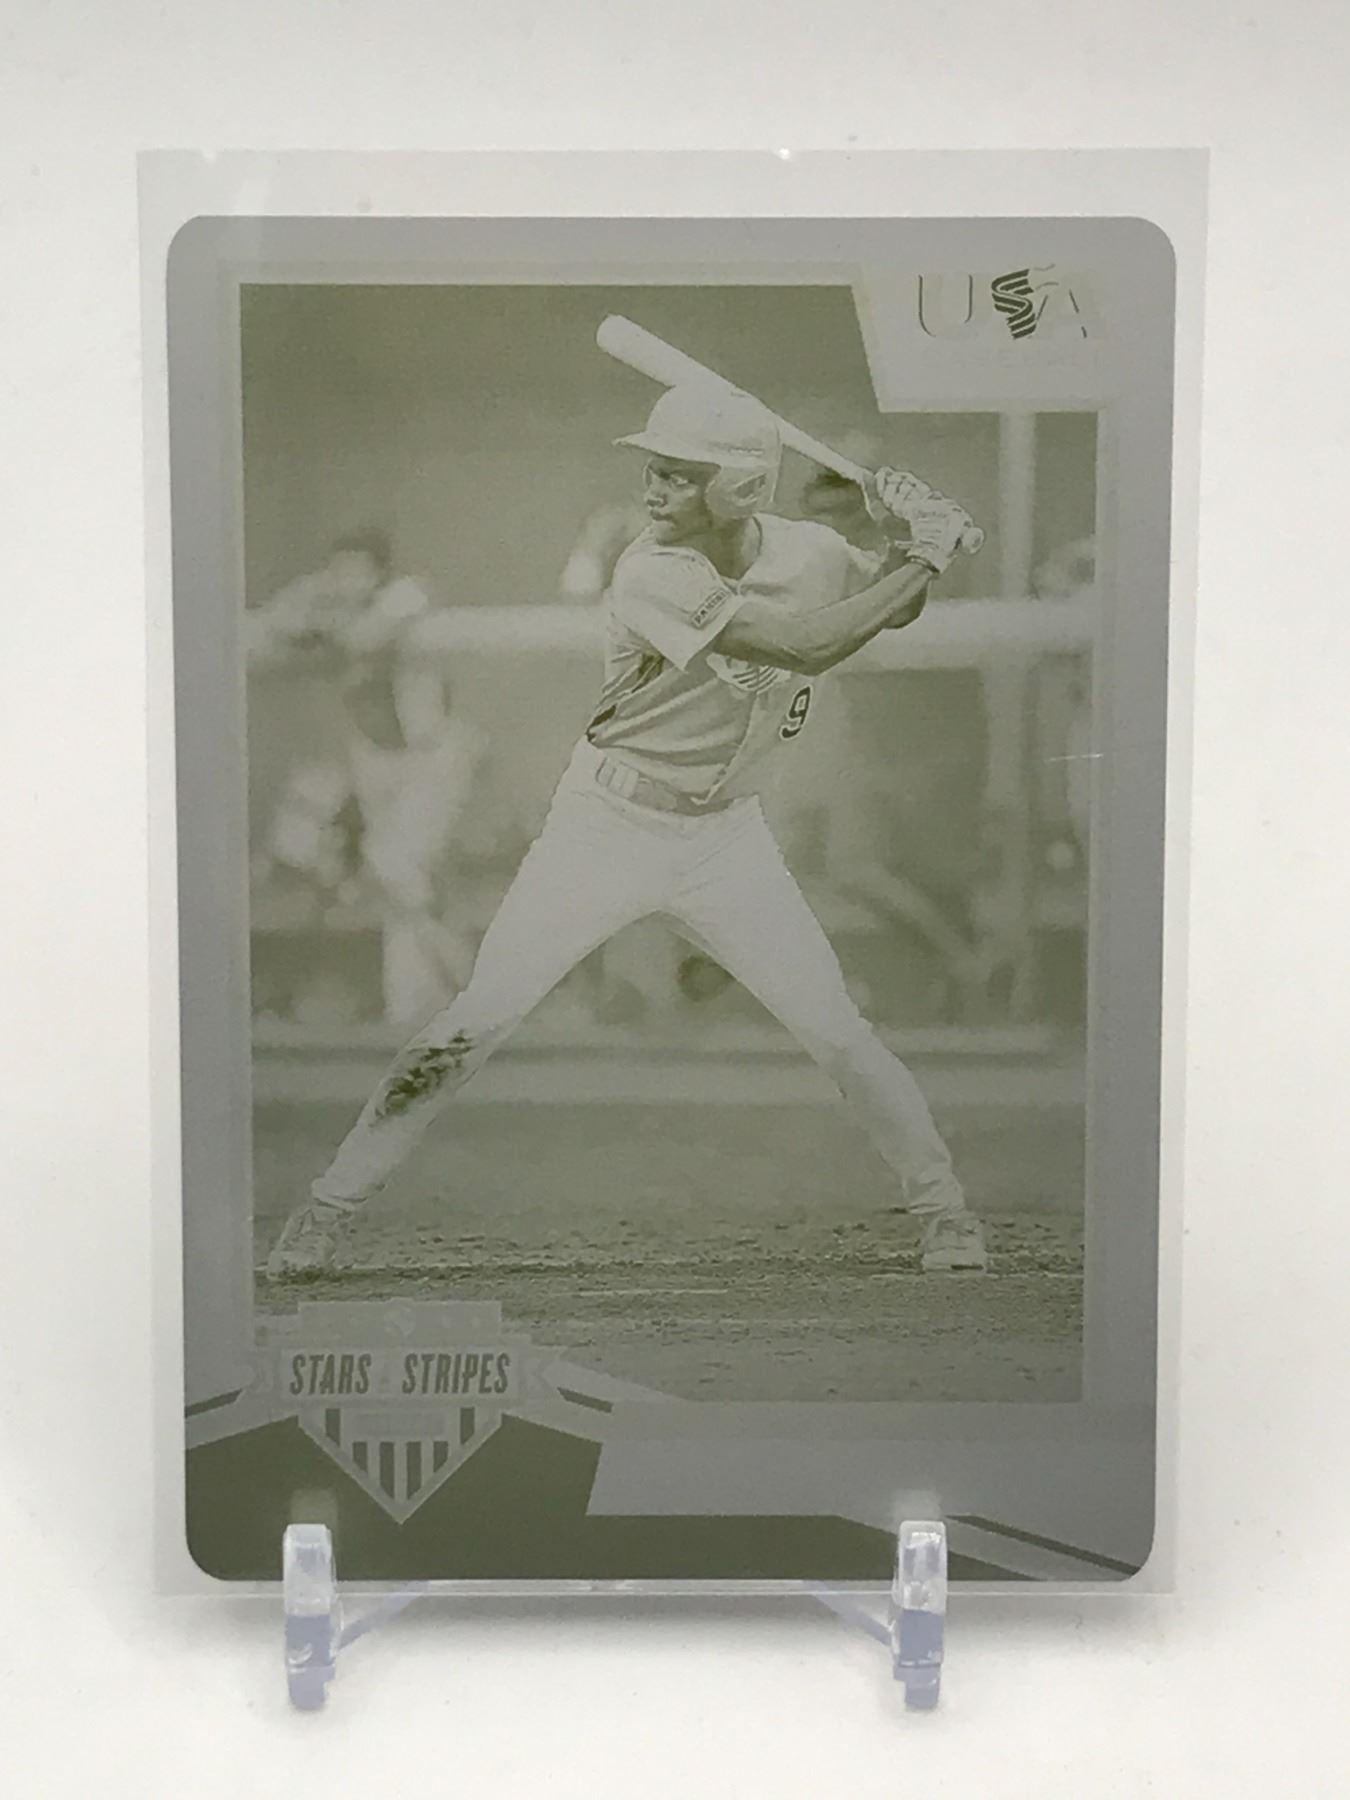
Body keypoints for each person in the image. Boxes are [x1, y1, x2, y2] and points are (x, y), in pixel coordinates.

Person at [266, 389, 988, 1277]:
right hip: (607, 826)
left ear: (740, 488)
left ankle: (943, 1210)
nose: (653, 488)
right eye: (655, 469)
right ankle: (330, 1206)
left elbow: (887, 605)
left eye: (679, 475)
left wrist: (902, 540)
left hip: (725, 837)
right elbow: (807, 646)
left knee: (838, 1032)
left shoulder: (809, 550)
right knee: (475, 1022)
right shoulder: (652, 571)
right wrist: (925, 555)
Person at [247, 530, 485, 1025]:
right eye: (339, 569)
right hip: (378, 761)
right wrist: (309, 602)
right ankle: (418, 1007)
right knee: (397, 886)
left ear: (379, 571)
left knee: (400, 871)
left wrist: (319, 619)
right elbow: (274, 623)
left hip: (433, 759)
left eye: (357, 569)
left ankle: (472, 993)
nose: (346, 579)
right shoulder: (325, 600)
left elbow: (366, 637)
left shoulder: (407, 594)